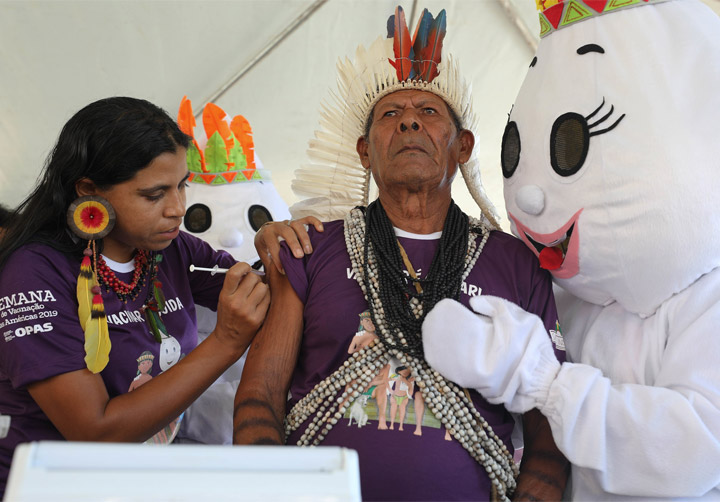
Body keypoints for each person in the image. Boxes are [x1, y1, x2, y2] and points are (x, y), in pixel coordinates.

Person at [234, 6, 568, 501]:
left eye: (429, 113)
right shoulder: (311, 247)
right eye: (390, 114)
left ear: (463, 147)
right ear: (365, 150)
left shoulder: (517, 264)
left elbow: (551, 428)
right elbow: (260, 397)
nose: (409, 121)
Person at [422, 0, 720, 500]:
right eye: (515, 150)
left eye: (571, 144)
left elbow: (695, 449)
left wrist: (543, 382)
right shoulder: (558, 299)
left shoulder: (706, 300)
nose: (531, 196)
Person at [0, 97, 269, 496]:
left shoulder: (170, 249)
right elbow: (97, 431)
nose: (178, 209)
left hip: (146, 482)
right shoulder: (34, 273)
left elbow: (261, 288)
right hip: (57, 489)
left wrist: (279, 244)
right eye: (154, 194)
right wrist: (226, 342)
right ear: (90, 191)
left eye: (182, 185)